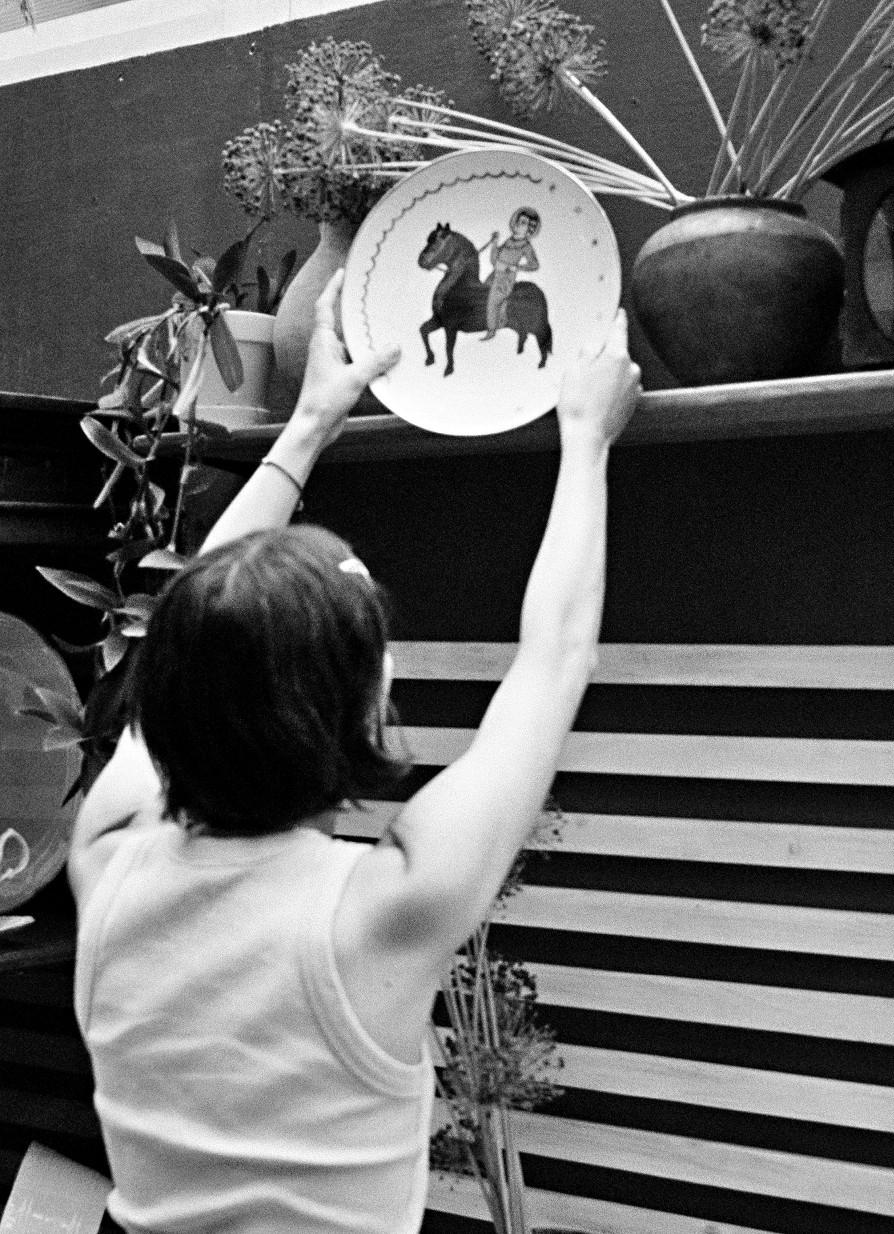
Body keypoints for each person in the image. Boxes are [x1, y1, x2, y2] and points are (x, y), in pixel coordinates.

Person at [69, 269, 641, 1234]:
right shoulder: (386, 906)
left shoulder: (108, 850)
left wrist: (308, 424)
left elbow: (188, 628)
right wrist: (586, 441)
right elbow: (555, 659)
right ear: (365, 711)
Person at [483, 207, 541, 340]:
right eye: (519, 221)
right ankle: (499, 318)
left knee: (493, 301)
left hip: (506, 279)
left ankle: (492, 330)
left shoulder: (525, 246)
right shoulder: (509, 241)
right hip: (494, 275)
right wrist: (495, 244)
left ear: (530, 229)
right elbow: (494, 261)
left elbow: (534, 264)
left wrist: (515, 267)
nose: (519, 224)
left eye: (524, 223)